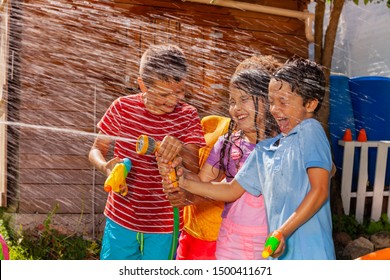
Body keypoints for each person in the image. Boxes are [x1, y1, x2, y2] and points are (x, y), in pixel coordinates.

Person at [164, 57, 336, 260]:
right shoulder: (266, 150)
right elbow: (231, 190)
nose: (275, 109)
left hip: (307, 251)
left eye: (282, 102)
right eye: (272, 102)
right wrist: (183, 181)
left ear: (310, 104)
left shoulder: (309, 130)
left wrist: (283, 231)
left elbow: (320, 188)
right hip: (270, 250)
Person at [88, 43, 206, 260]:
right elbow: (96, 149)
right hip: (121, 217)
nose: (172, 100)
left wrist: (179, 147)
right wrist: (105, 166)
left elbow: (194, 167)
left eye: (179, 92)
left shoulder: (188, 115)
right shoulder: (122, 108)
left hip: (165, 224)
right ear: (143, 85)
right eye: (163, 94)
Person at [162, 56, 281, 260]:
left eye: (244, 99)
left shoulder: (282, 145)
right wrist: (177, 169)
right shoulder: (227, 144)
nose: (236, 108)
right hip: (230, 240)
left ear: (266, 100)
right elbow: (203, 183)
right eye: (232, 101)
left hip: (270, 241)